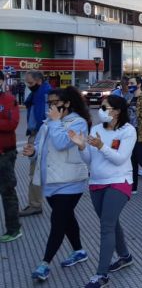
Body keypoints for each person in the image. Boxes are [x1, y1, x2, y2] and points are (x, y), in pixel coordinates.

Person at [68, 95, 136, 288]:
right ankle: (125, 256)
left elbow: (120, 158)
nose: (101, 110)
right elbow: (90, 160)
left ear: (117, 111)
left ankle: (101, 275)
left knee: (106, 225)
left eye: (105, 107)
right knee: (111, 222)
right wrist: (82, 146)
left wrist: (102, 146)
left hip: (119, 181)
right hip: (96, 182)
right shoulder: (96, 129)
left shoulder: (127, 131)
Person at [24, 87, 90, 281]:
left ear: (67, 103)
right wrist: (33, 152)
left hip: (70, 180)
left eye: (56, 103)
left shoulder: (78, 122)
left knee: (57, 221)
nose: (52, 106)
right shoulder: (48, 123)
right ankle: (79, 251)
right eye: (49, 103)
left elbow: (62, 143)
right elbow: (41, 147)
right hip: (51, 180)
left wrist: (54, 122)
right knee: (67, 218)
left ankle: (45, 263)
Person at [20, 70, 51, 217]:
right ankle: (36, 203)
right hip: (35, 134)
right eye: (26, 82)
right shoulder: (37, 93)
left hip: (40, 136)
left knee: (35, 172)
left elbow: (46, 117)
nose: (28, 85)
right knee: (36, 171)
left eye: (30, 82)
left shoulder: (45, 94)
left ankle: (35, 204)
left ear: (39, 80)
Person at [0, 70, 21, 243]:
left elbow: (12, 124)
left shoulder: (9, 100)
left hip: (5, 153)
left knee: (7, 191)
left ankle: (14, 229)